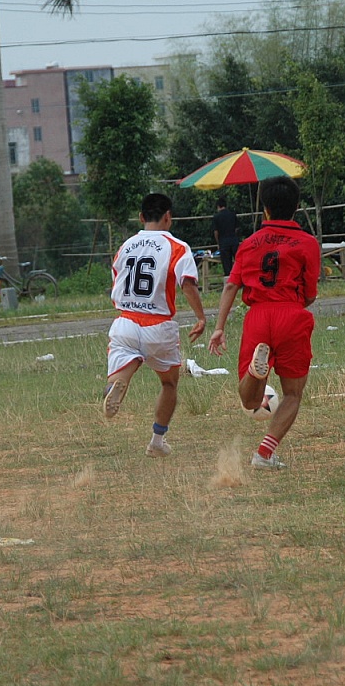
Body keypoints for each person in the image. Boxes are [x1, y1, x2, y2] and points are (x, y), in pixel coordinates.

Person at [208, 176, 321, 470]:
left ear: (265, 209)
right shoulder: (308, 243)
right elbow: (310, 293)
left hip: (258, 315)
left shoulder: (249, 244)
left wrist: (219, 328)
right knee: (293, 393)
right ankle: (264, 454)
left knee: (249, 402)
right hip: (291, 314)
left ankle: (254, 373)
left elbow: (231, 286)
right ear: (296, 207)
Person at [104, 192, 207, 458]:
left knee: (124, 364)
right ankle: (157, 441)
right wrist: (201, 317)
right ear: (168, 217)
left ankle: (117, 383)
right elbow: (187, 283)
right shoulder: (177, 247)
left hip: (125, 322)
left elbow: (117, 279)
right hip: (159, 326)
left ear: (141, 217)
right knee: (169, 383)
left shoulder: (126, 246)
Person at [212, 198, 241, 275]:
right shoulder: (232, 214)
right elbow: (237, 228)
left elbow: (216, 232)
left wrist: (218, 242)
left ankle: (229, 279)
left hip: (223, 242)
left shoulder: (216, 217)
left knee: (226, 265)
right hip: (234, 240)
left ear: (218, 206)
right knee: (238, 262)